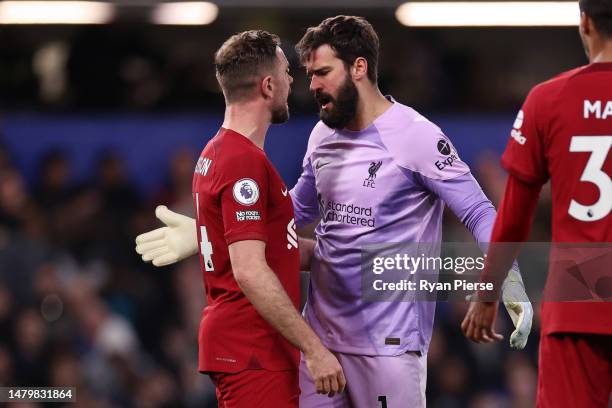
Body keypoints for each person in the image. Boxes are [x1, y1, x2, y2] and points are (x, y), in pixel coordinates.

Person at [137, 17, 532, 407]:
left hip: (387, 348)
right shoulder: (323, 135)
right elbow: (290, 215)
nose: (311, 86)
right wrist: (215, 232)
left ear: (359, 68)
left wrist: (506, 277)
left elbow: (480, 211)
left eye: (322, 72)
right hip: (319, 344)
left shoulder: (418, 137)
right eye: (308, 74)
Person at [136, 30, 345, 407]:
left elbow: (275, 252)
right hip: (252, 347)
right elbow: (250, 270)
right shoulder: (242, 162)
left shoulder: (218, 152)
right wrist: (315, 348)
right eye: (285, 72)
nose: (292, 81)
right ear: (267, 86)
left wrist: (362, 256)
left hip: (248, 346)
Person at [461, 1, 612, 406]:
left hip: (576, 303)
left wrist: (488, 294)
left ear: (584, 23)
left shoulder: (548, 99)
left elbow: (513, 218)